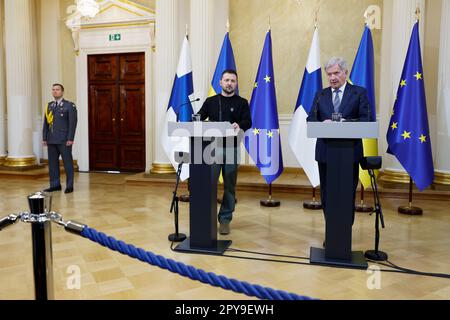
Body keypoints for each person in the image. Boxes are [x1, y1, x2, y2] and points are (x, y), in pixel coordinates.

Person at [307, 57, 371, 245]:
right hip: (326, 153)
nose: (332, 77)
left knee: (346, 194)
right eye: (329, 74)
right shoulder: (321, 95)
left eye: (336, 73)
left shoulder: (359, 93)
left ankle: (343, 233)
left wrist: (345, 124)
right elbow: (311, 120)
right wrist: (322, 123)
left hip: (349, 154)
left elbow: (366, 120)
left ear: (345, 73)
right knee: (327, 194)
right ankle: (332, 231)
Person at [197, 69, 252, 235]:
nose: (229, 83)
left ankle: (225, 219)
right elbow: (199, 117)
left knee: (229, 184)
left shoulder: (242, 102)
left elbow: (248, 121)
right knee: (209, 183)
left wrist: (239, 125)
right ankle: (207, 218)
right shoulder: (211, 101)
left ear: (236, 83)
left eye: (232, 81)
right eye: (226, 80)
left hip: (231, 147)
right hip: (211, 147)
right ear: (220, 83)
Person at [42, 84, 78, 194]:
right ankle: (55, 185)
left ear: (62, 92)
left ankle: (69, 185)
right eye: (53, 90)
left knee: (67, 163)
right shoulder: (50, 106)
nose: (55, 91)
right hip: (51, 139)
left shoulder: (69, 106)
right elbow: (46, 123)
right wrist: (44, 137)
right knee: (52, 164)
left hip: (64, 140)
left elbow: (73, 123)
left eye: (57, 90)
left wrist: (70, 138)